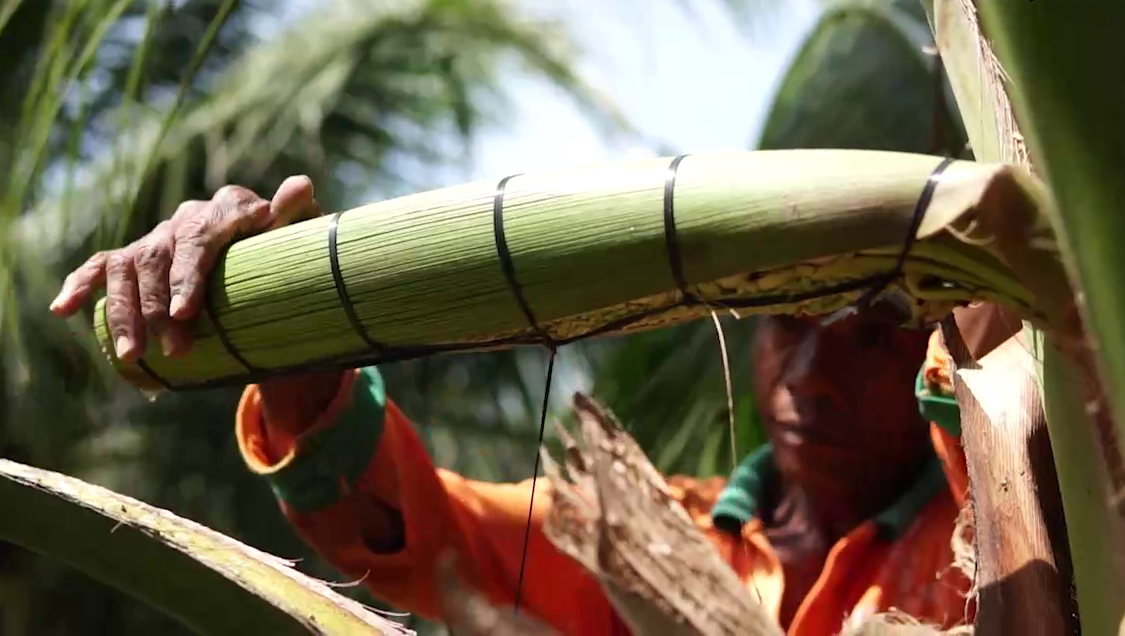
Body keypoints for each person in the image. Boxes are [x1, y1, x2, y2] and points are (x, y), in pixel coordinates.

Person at [51, 178, 974, 635]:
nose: (810, 374)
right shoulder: (645, 540)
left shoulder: (996, 529)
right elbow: (414, 527)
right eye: (790, 323)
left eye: (868, 336)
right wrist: (285, 322)